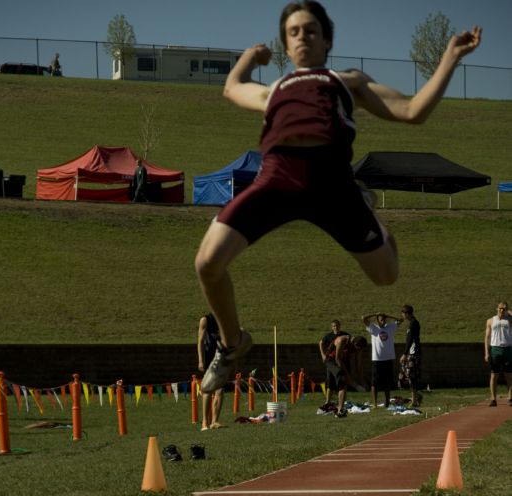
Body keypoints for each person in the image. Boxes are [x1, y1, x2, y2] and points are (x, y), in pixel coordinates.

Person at [195, 1, 481, 394]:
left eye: (310, 30)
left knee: (386, 277)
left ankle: (370, 215)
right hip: (277, 178)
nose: (302, 37)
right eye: (293, 32)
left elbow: (413, 110)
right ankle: (231, 344)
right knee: (207, 263)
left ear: (327, 39)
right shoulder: (276, 89)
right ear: (285, 43)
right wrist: (250, 56)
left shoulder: (347, 82)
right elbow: (231, 88)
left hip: (333, 185)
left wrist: (449, 58)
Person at [362, 312, 402, 407]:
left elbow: (401, 320)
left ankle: (387, 401)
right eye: (381, 320)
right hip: (377, 359)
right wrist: (375, 314)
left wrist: (388, 315)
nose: (383, 322)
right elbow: (363, 318)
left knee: (387, 382)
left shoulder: (390, 327)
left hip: (388, 358)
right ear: (377, 321)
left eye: (384, 320)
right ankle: (375, 403)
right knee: (374, 382)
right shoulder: (374, 328)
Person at [197, 313, 226, 430]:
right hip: (209, 357)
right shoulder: (205, 320)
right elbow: (200, 341)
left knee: (221, 390)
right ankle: (205, 422)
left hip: (221, 357)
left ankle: (214, 421)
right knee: (208, 389)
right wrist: (201, 360)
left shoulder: (226, 318)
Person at [484, 301, 512, 407]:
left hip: (507, 349)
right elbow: (487, 338)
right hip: (495, 349)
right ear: (497, 309)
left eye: (503, 309)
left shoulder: (509, 320)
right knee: (494, 375)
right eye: (500, 308)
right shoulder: (491, 321)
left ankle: (510, 398)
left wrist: (508, 311)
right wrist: (487, 352)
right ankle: (493, 399)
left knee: (509, 375)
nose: (501, 310)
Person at [399, 304, 422, 406]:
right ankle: (415, 398)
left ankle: (415, 400)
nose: (402, 315)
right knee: (410, 376)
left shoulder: (413, 323)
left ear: (407, 314)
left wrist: (405, 354)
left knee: (411, 376)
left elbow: (410, 339)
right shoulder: (412, 323)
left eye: (403, 313)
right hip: (412, 353)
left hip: (413, 353)